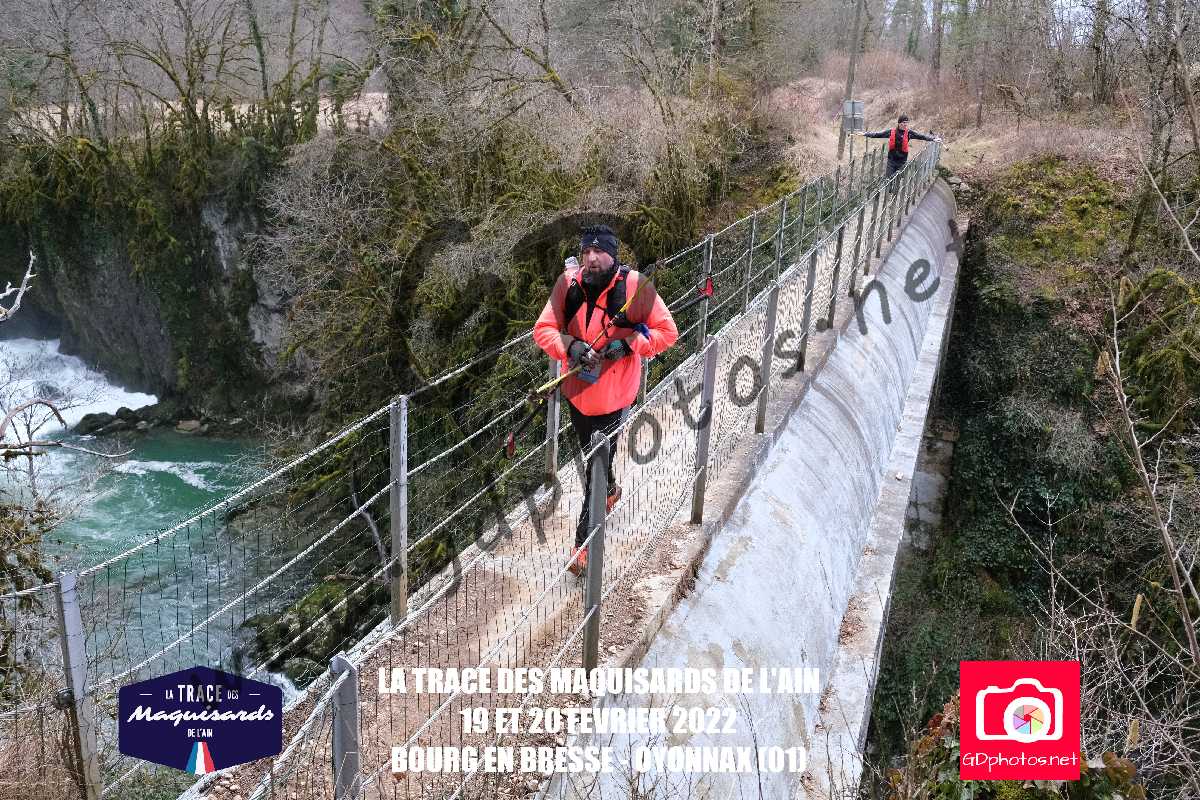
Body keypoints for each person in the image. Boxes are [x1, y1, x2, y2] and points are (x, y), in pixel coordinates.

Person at [533, 225, 679, 576]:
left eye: (599, 251)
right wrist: (571, 346)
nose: (592, 258)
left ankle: (582, 545)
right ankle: (611, 490)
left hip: (615, 395)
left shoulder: (635, 287)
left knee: (595, 466)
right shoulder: (568, 285)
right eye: (586, 251)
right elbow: (543, 329)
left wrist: (628, 345)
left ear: (613, 255)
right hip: (578, 393)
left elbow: (667, 332)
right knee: (593, 456)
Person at [854, 114, 942, 177]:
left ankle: (895, 194)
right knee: (889, 179)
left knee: (898, 178)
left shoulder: (909, 133)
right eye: (904, 122)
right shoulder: (891, 132)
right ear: (899, 123)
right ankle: (889, 194)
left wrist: (933, 139)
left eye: (906, 122)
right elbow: (877, 134)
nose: (905, 124)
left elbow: (921, 136)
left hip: (902, 161)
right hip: (891, 160)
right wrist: (864, 134)